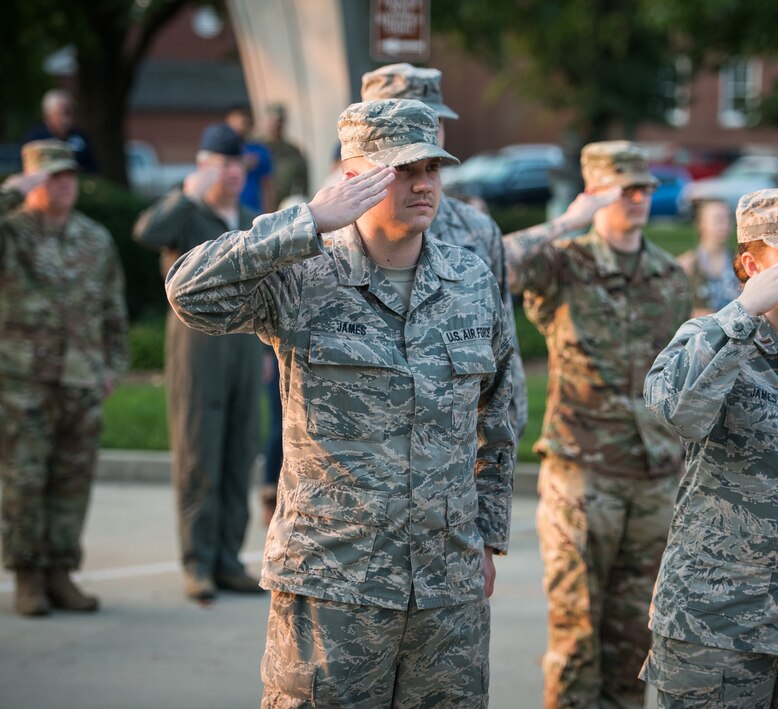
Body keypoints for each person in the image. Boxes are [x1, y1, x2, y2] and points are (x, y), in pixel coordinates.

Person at [166, 98, 516, 707]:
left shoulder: (470, 280)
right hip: (334, 588)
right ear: (355, 178)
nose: (424, 183)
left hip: (446, 595)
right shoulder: (304, 276)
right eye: (403, 170)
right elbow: (189, 293)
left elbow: (499, 414)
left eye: (432, 168)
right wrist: (305, 220)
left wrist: (486, 536)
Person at [641, 188, 778, 707]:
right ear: (749, 263)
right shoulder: (711, 337)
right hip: (721, 618)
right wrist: (744, 311)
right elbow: (673, 408)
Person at [505, 140, 691, 708]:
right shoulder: (563, 263)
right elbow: (495, 264)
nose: (636, 199)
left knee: (638, 638)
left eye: (643, 189)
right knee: (578, 634)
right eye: (622, 190)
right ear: (594, 194)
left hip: (653, 475)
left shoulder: (669, 275)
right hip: (583, 473)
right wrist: (567, 221)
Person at [0, 140, 128, 616]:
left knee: (71, 481)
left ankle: (60, 572)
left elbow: (112, 310)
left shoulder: (94, 238)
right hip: (21, 381)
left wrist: (113, 367)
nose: (64, 184)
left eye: (68, 176)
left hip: (80, 381)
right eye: (51, 176)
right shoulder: (7, 233)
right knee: (24, 482)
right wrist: (8, 194)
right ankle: (28, 577)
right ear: (31, 181)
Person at [361, 62, 527, 440]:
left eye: (433, 119)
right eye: (405, 119)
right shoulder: (326, 229)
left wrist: (507, 427)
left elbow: (501, 346)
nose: (424, 132)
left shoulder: (476, 229)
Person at [133, 123, 263, 602]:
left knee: (238, 452)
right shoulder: (188, 217)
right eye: (221, 164)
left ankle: (229, 559)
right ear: (204, 166)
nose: (231, 173)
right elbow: (147, 232)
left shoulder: (250, 218)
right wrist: (188, 194)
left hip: (246, 345)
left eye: (237, 164)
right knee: (198, 453)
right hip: (196, 346)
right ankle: (198, 563)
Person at [678, 198, 741, 316]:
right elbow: (676, 310)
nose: (725, 224)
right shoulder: (686, 265)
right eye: (718, 219)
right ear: (701, 224)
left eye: (728, 219)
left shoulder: (741, 263)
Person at [23, 89, 98, 173]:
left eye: (71, 111)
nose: (68, 116)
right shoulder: (36, 137)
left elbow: (93, 169)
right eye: (63, 111)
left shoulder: (80, 136)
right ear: (48, 114)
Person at [225, 105, 274, 214]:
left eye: (244, 122)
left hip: (254, 210)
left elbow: (267, 185)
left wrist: (270, 213)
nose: (240, 127)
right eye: (236, 121)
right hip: (228, 210)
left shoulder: (260, 151)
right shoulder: (220, 151)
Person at [263, 103, 309, 208]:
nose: (276, 125)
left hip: (283, 205)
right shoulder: (256, 148)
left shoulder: (293, 150)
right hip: (259, 206)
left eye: (280, 121)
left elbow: (303, 180)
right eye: (272, 120)